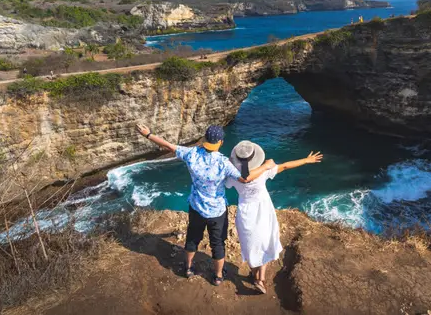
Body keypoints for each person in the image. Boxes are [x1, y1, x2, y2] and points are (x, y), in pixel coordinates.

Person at [136, 124, 276, 286]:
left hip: (196, 207)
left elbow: (168, 146)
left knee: (192, 239)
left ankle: (188, 268)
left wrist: (148, 134)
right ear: (221, 142)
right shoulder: (224, 163)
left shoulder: (191, 153)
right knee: (218, 244)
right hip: (217, 212)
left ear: (205, 139)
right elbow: (245, 178)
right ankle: (218, 276)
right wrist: (266, 166)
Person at [226, 141, 323, 294]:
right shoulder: (264, 171)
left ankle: (254, 275)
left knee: (250, 246)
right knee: (266, 241)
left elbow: (230, 179)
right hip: (264, 210)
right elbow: (285, 166)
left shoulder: (233, 176)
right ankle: (261, 278)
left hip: (246, 213)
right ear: (255, 158)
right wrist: (306, 160)